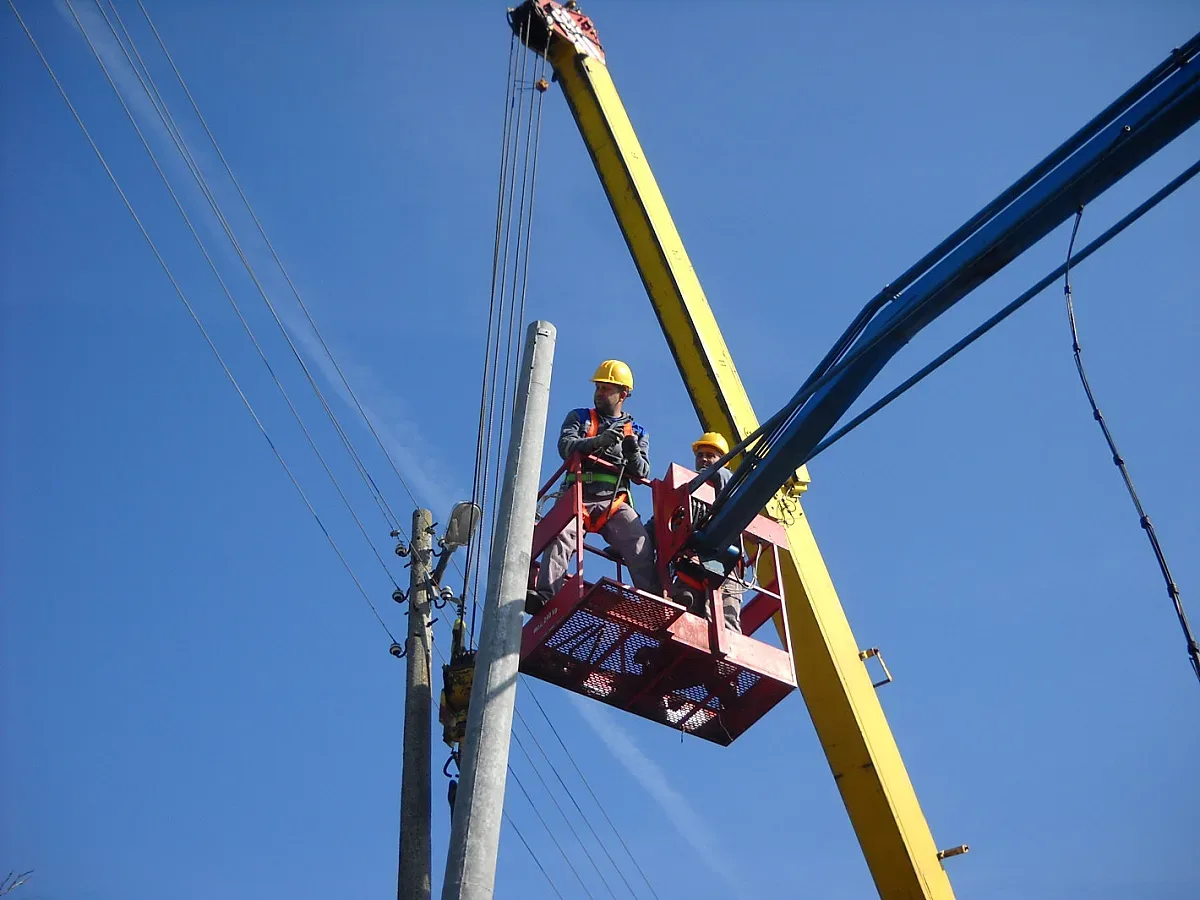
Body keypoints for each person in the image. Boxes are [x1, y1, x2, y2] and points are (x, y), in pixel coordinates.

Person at [527, 360, 660, 612]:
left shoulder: (637, 431)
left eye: (605, 388)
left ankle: (653, 605)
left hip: (614, 501)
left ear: (623, 394)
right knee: (561, 536)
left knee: (640, 543)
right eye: (598, 387)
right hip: (578, 494)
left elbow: (642, 471)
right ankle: (545, 596)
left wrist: (631, 452)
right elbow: (566, 447)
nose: (599, 393)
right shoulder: (580, 417)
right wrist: (598, 441)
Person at [673, 431, 744, 633]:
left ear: (723, 461)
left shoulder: (727, 479)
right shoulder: (688, 489)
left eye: (710, 455)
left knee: (726, 620)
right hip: (692, 563)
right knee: (684, 616)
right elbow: (663, 517)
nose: (703, 459)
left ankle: (728, 653)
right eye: (700, 455)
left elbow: (722, 476)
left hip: (726, 564)